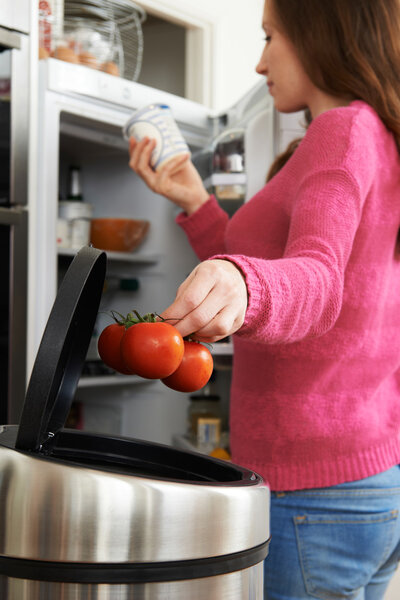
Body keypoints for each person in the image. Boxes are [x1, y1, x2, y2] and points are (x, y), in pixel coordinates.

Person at [128, 0, 400, 597]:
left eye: (270, 36)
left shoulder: (343, 130)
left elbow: (318, 279)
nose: (259, 63)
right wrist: (199, 203)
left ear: (320, 31)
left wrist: (246, 284)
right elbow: (302, 272)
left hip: (312, 494)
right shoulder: (374, 137)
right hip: (368, 478)